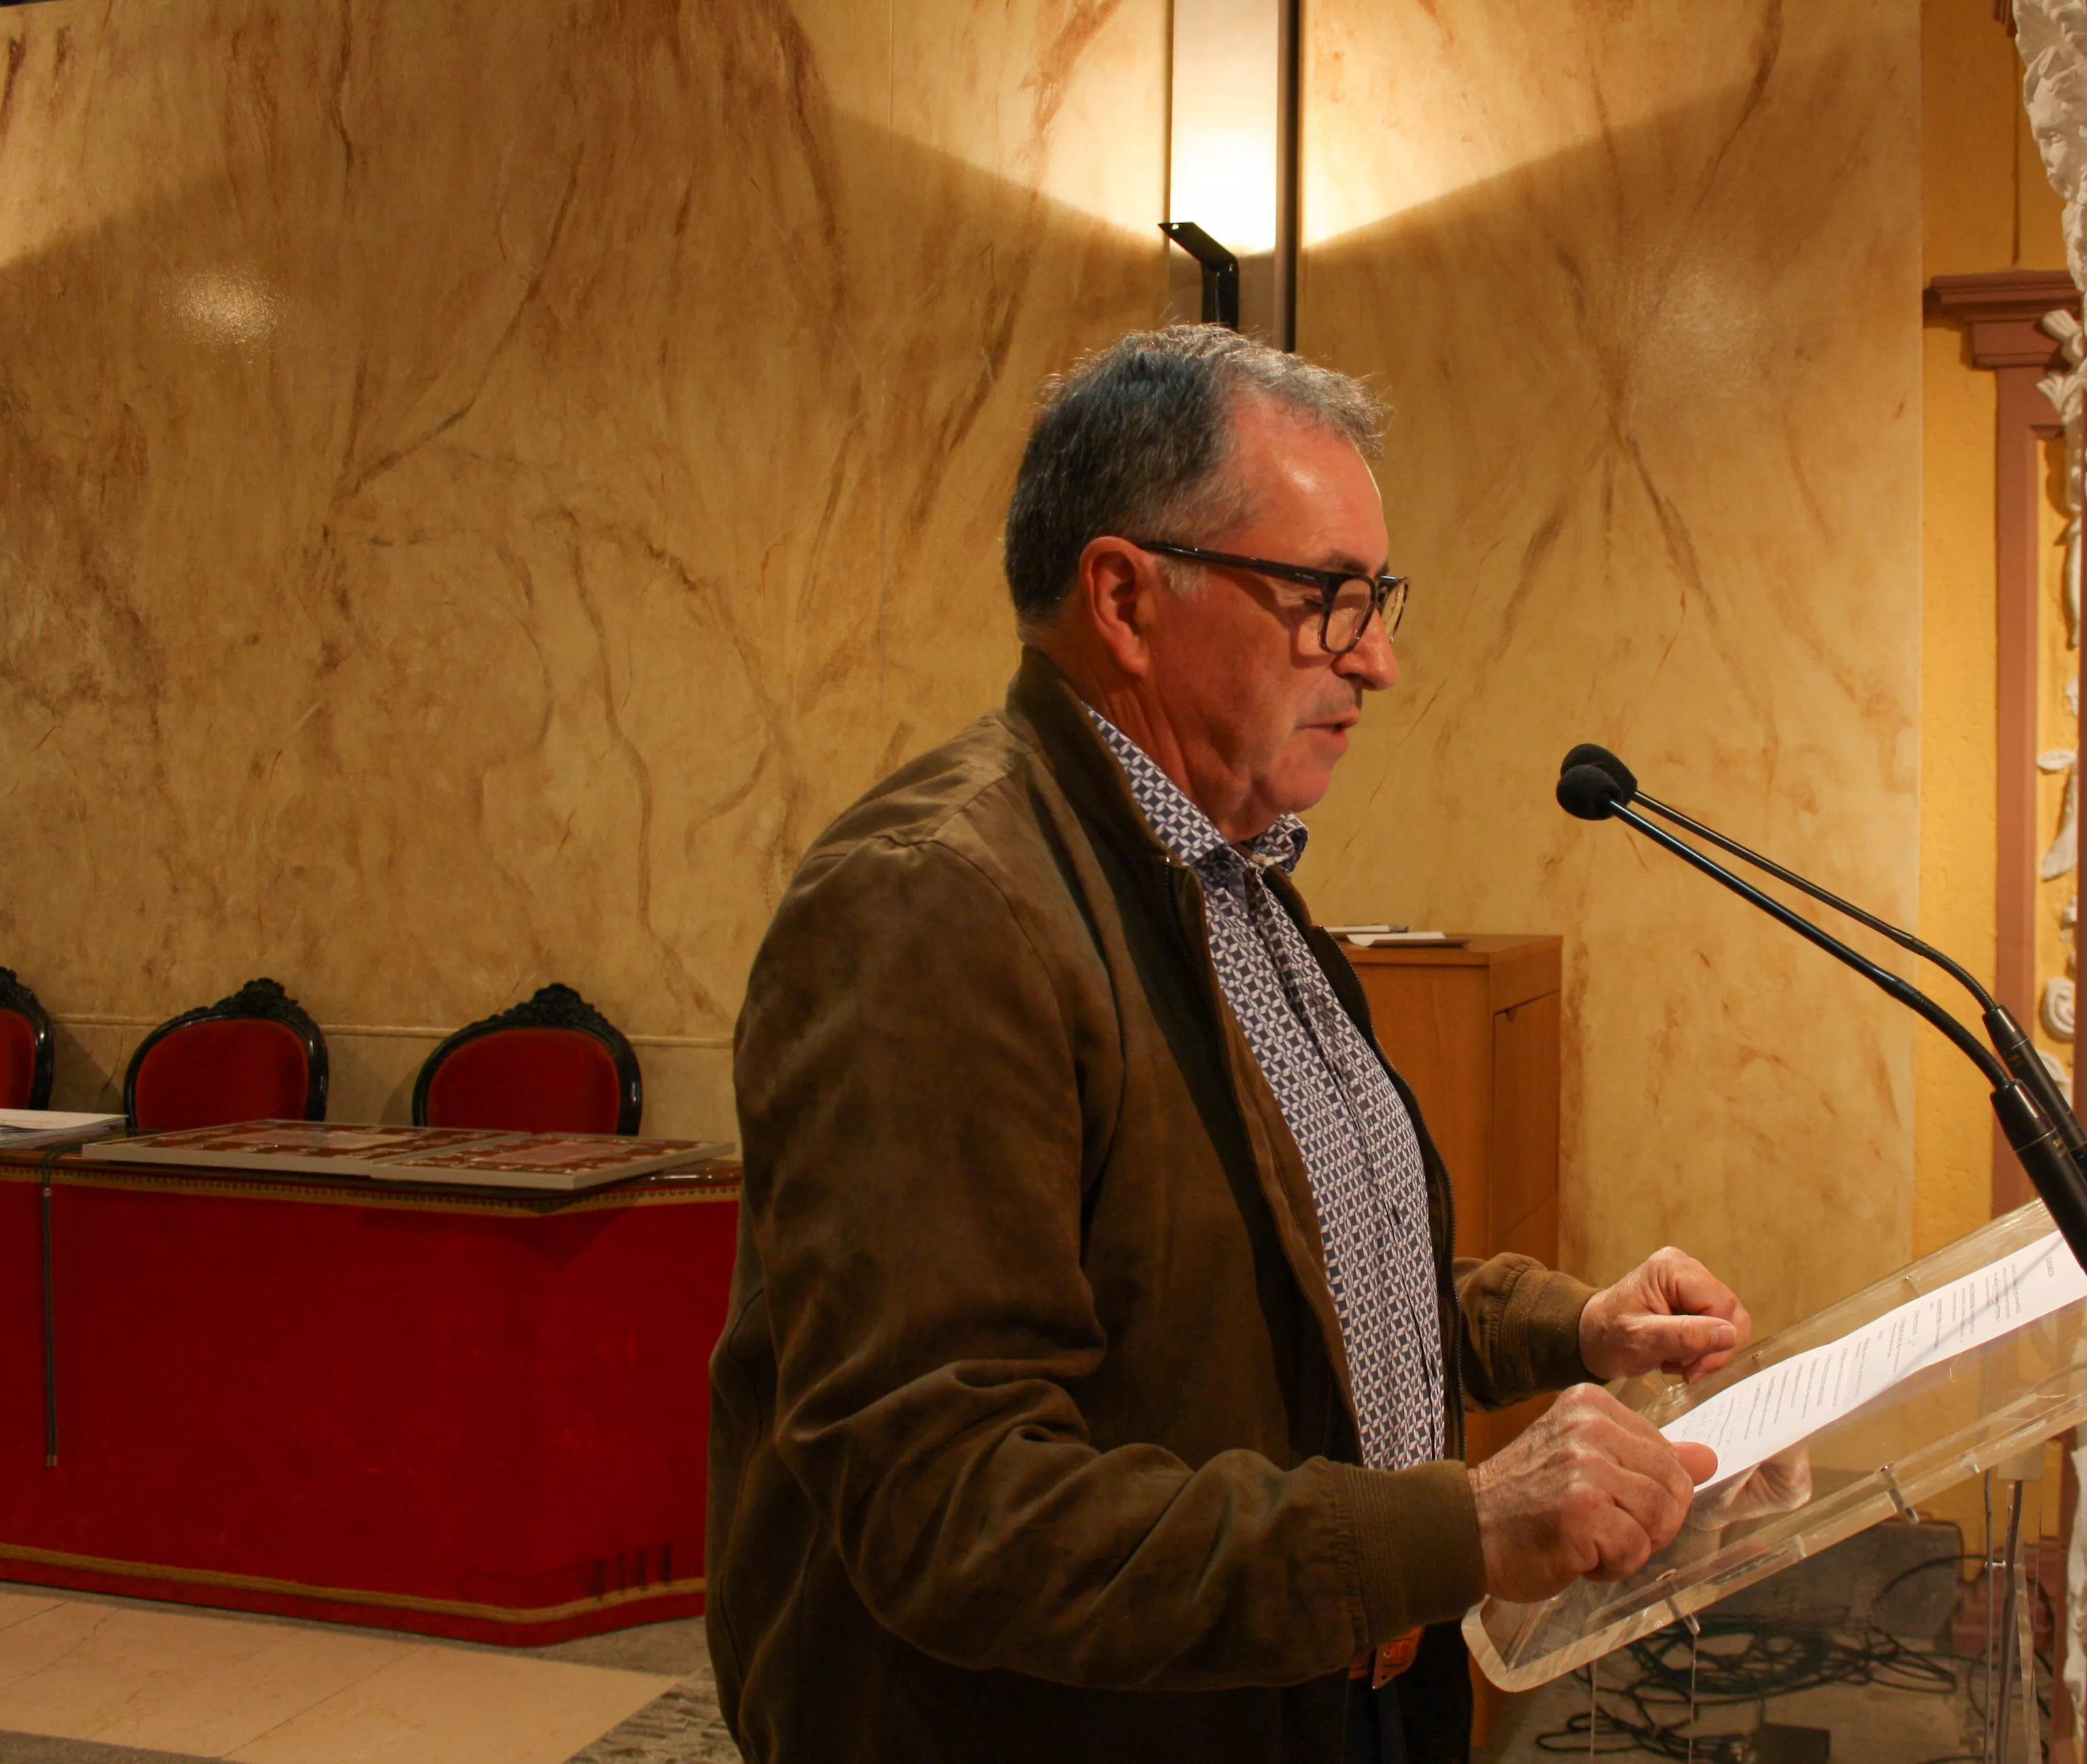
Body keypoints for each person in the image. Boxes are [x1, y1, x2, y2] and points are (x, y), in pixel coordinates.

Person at [707, 326, 1794, 1764]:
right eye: (1327, 600)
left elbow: (1276, 1275)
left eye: (1379, 599)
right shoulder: (936, 906)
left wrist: (1575, 1328)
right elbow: (948, 1503)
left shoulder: (1239, 878)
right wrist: (1459, 1521)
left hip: (1323, 1685)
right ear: (1126, 596)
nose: (1382, 661)